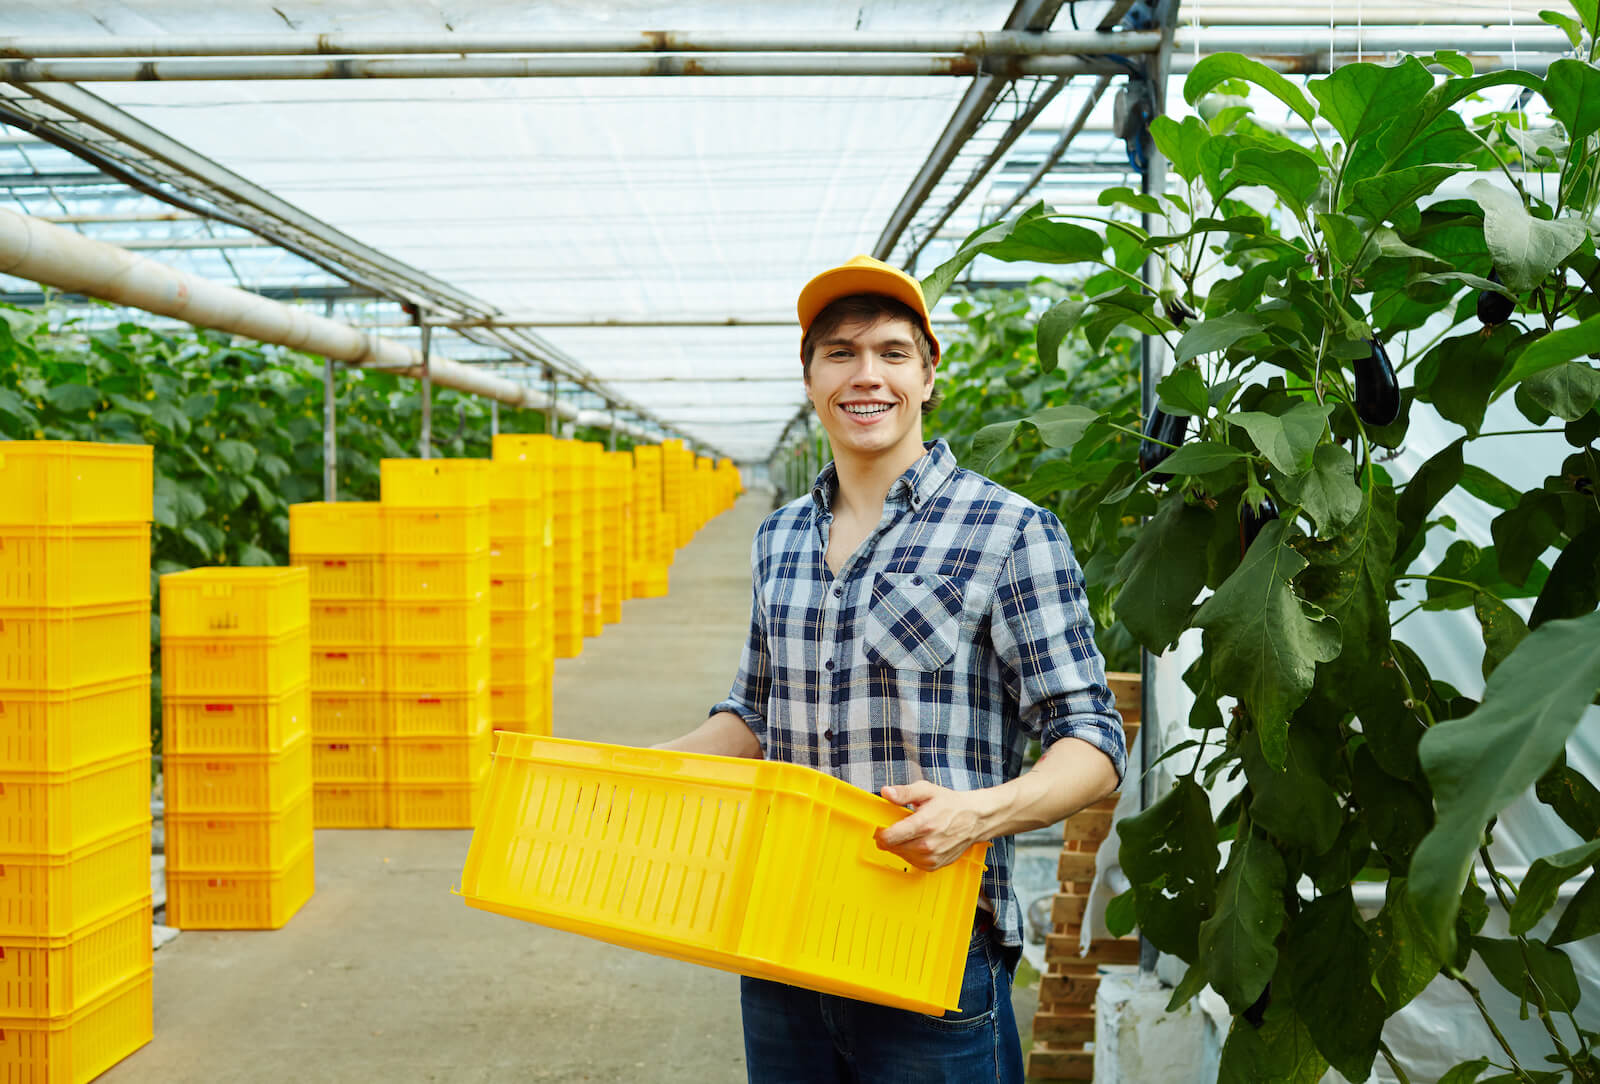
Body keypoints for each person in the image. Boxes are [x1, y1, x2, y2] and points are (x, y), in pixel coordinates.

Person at [659, 255, 1126, 1083]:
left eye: (891, 352)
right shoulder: (782, 538)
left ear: (929, 373)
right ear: (809, 378)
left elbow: (1089, 737)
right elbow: (755, 712)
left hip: (927, 943)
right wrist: (646, 774)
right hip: (782, 933)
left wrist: (978, 814)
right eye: (839, 353)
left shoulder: (1009, 531)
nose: (865, 375)